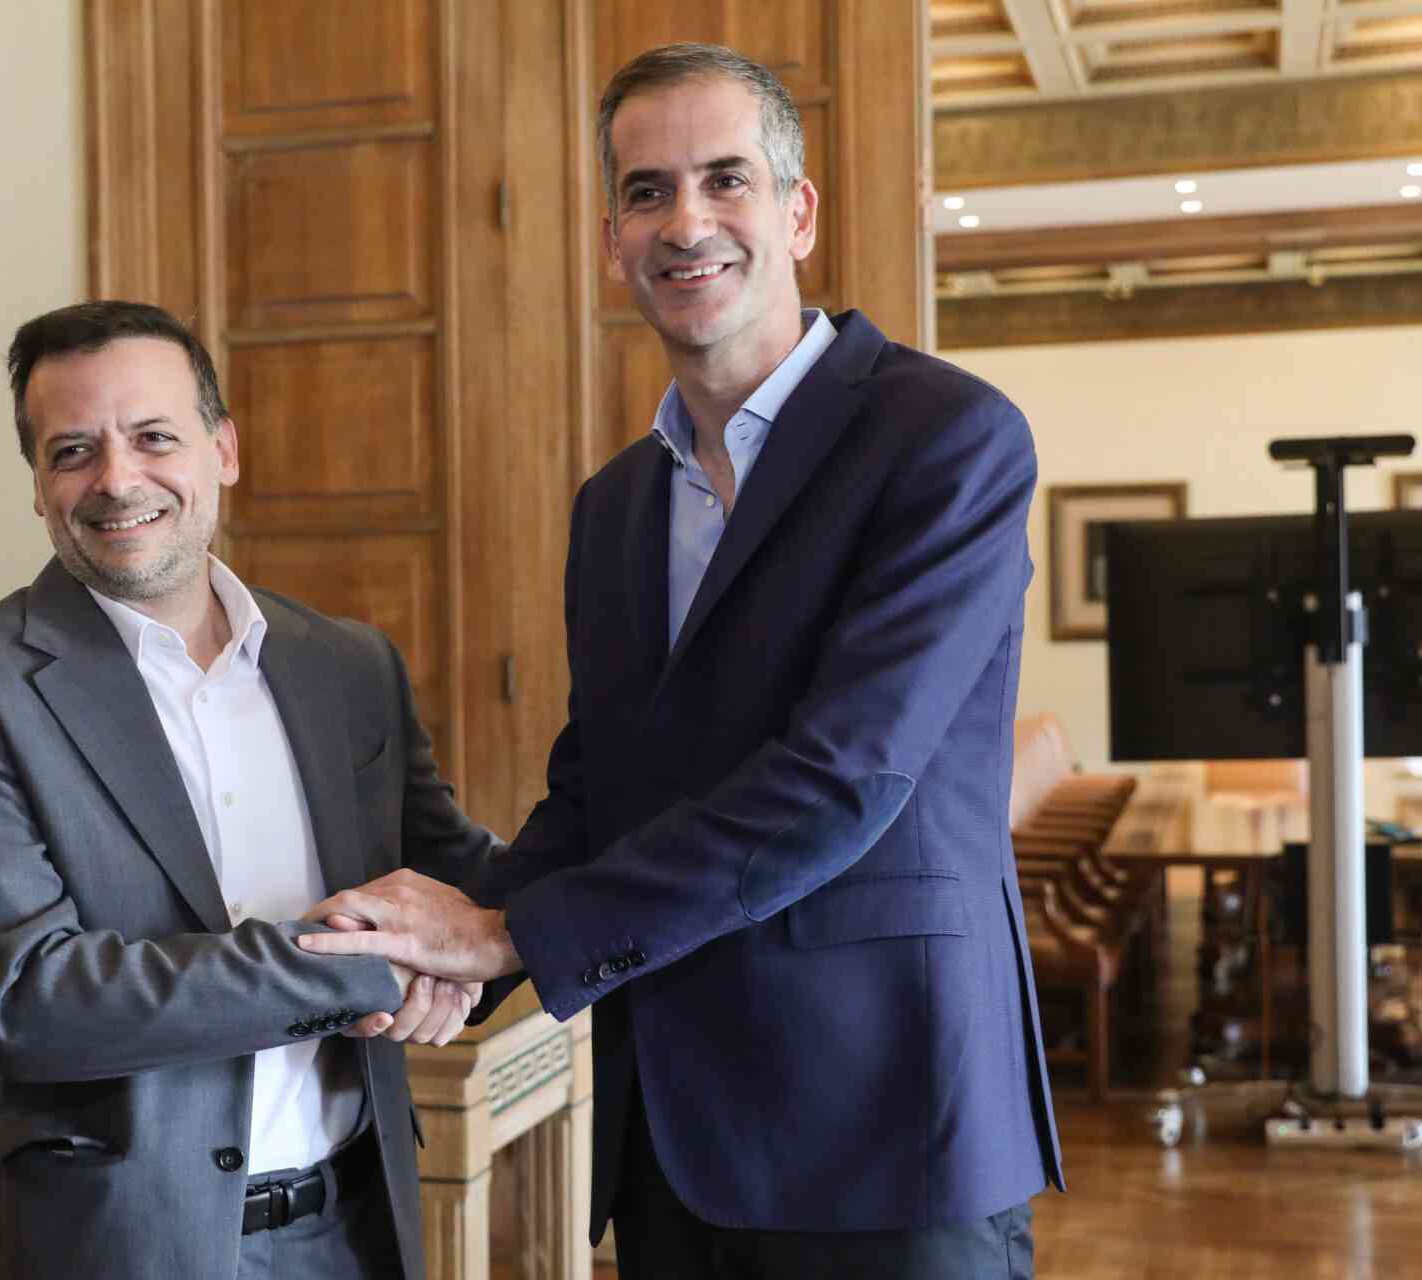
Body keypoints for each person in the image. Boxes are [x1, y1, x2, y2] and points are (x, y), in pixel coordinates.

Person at [297, 42, 1063, 1278]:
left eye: (726, 179)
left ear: (797, 212)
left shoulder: (947, 438)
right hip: (671, 1134)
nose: (686, 222)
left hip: (888, 1125)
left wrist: (512, 935)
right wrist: (456, 940)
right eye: (647, 192)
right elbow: (599, 791)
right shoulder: (615, 506)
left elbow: (844, 779)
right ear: (613, 241)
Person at [0, 300, 495, 1279]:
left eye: (153, 436)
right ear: (38, 486)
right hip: (121, 1246)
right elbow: (35, 1001)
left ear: (224, 450)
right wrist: (377, 967)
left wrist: (528, 926)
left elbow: (458, 879)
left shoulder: (348, 666)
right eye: (72, 450)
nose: (116, 479)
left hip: (356, 1228)